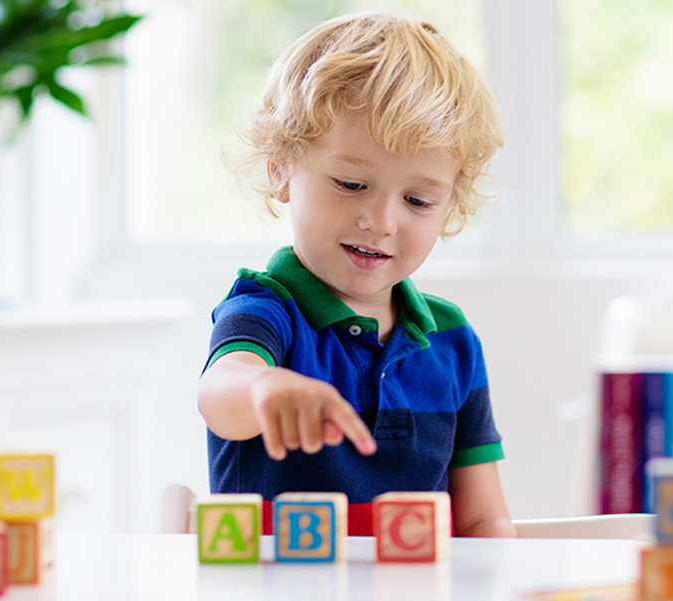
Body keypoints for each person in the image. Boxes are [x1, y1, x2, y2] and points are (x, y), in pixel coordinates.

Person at [198, 12, 516, 538]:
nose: (381, 221)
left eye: (418, 200)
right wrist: (266, 390)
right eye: (350, 183)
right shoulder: (266, 308)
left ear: (450, 206)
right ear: (281, 167)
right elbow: (220, 393)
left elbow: (483, 517)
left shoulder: (452, 340)